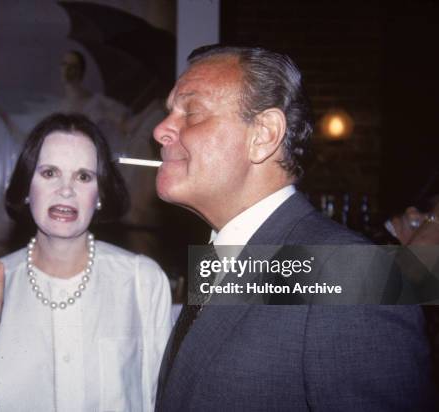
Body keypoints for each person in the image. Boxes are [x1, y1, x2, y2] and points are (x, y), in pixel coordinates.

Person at [152, 45, 435, 410]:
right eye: (168, 113)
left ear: (264, 135)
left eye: (191, 112)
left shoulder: (354, 276)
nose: (161, 130)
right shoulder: (216, 259)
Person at [0, 113, 172, 411]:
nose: (65, 190)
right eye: (49, 173)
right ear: (27, 189)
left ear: (100, 195)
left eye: (83, 176)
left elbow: (167, 400)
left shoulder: (142, 280)